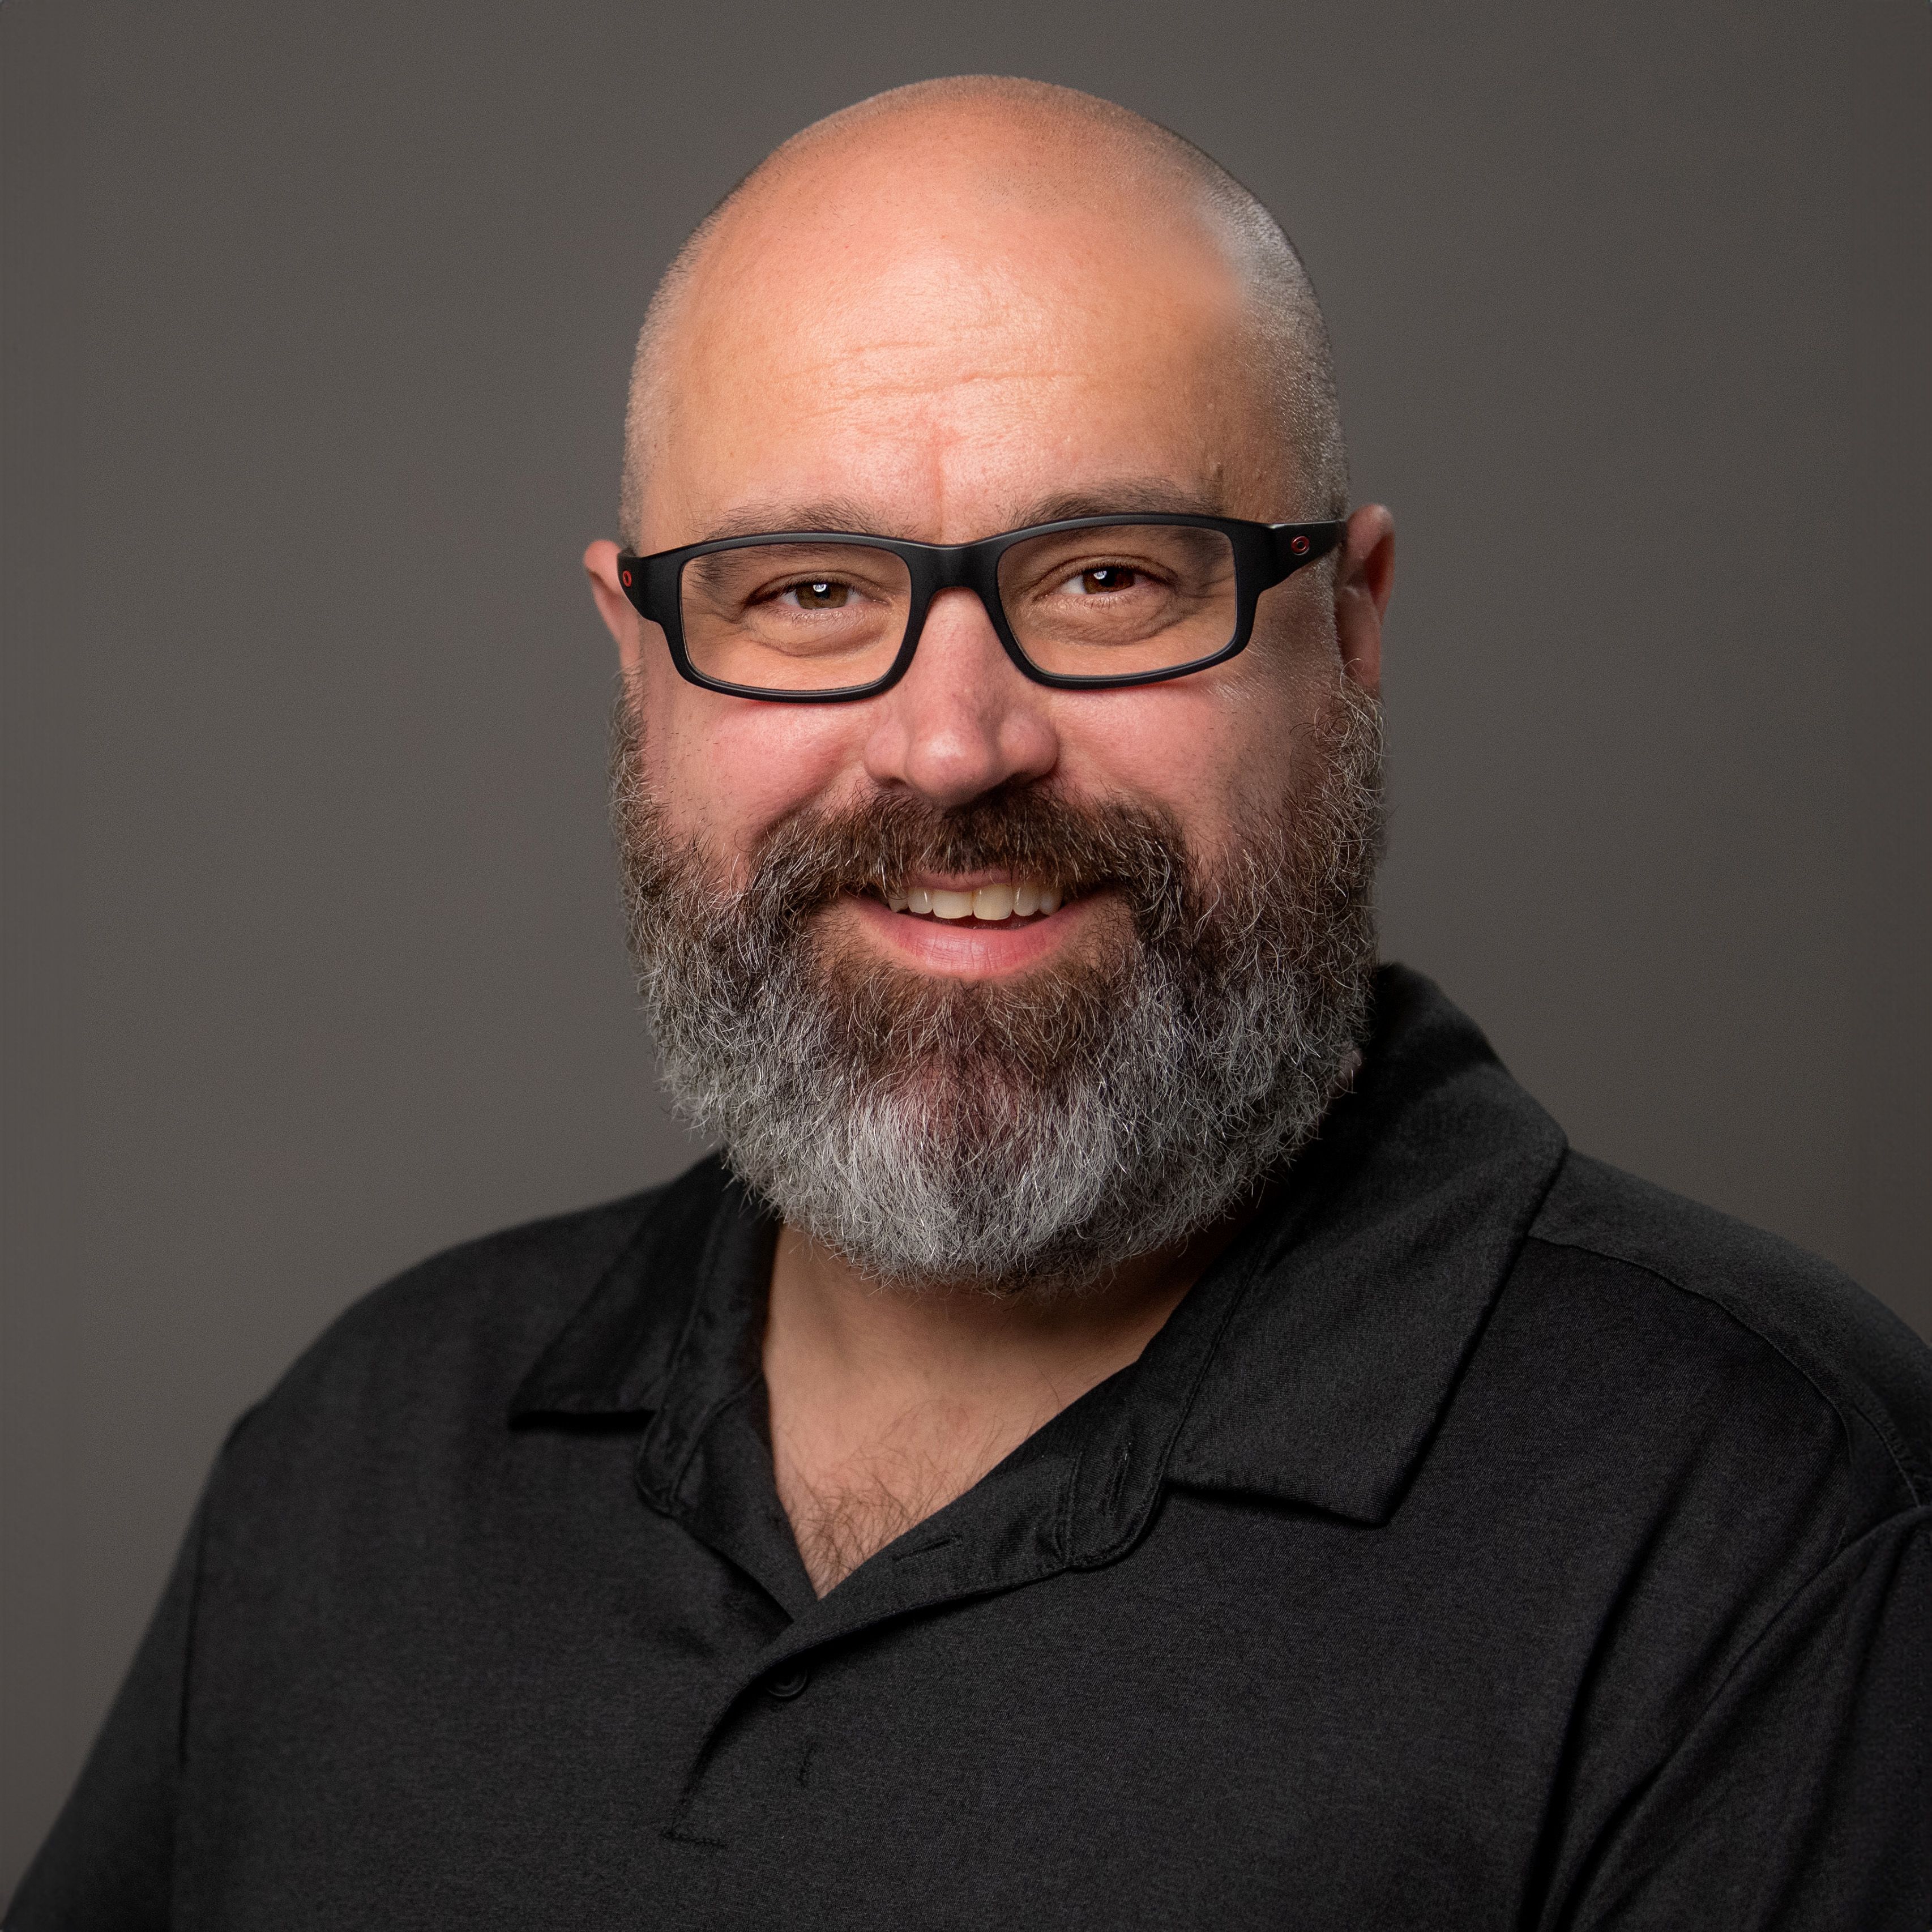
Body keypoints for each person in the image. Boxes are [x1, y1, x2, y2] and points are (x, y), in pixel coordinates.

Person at [11, 75, 1929, 1932]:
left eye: (1106, 577)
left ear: (1347, 629)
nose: (947, 747)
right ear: (640, 661)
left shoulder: (1770, 1519)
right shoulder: (369, 1450)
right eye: (808, 593)